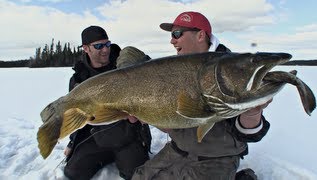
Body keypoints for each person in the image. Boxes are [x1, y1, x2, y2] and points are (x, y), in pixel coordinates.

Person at [131, 11, 271, 180]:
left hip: (216, 158)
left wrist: (252, 112)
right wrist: (149, 114)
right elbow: (174, 123)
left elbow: (249, 134)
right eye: (172, 35)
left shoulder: (231, 70)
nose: (172, 40)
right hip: (178, 150)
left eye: (177, 34)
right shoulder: (174, 70)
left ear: (200, 35)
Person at [63, 25, 151, 180]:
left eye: (107, 44)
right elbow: (76, 112)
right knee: (73, 172)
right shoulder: (79, 78)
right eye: (99, 46)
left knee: (136, 175)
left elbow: (150, 71)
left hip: (128, 135)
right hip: (97, 138)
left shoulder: (125, 64)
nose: (105, 50)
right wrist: (72, 143)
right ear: (86, 48)